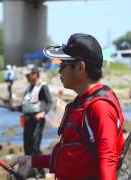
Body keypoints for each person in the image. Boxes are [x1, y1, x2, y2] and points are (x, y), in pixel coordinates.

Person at [10, 33, 125, 180]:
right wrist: (32, 161)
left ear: (80, 67)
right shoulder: (82, 101)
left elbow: (108, 158)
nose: (59, 70)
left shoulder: (100, 107)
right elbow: (74, 157)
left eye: (63, 65)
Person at [11, 64, 52, 178]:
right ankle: (31, 171)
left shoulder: (42, 86)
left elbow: (49, 102)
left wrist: (42, 113)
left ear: (35, 74)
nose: (27, 77)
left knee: (35, 148)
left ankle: (42, 172)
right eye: (26, 75)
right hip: (27, 120)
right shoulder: (28, 88)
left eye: (28, 75)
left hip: (37, 121)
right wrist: (15, 108)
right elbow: (25, 106)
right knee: (27, 147)